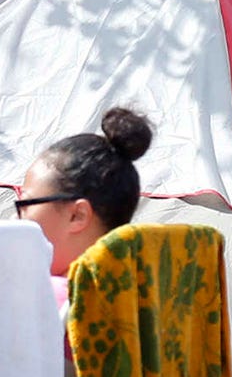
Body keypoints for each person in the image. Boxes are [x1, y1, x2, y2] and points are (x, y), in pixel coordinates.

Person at [15, 105, 152, 275]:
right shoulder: (140, 289)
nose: (16, 218)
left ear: (77, 215)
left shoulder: (45, 297)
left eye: (24, 204)